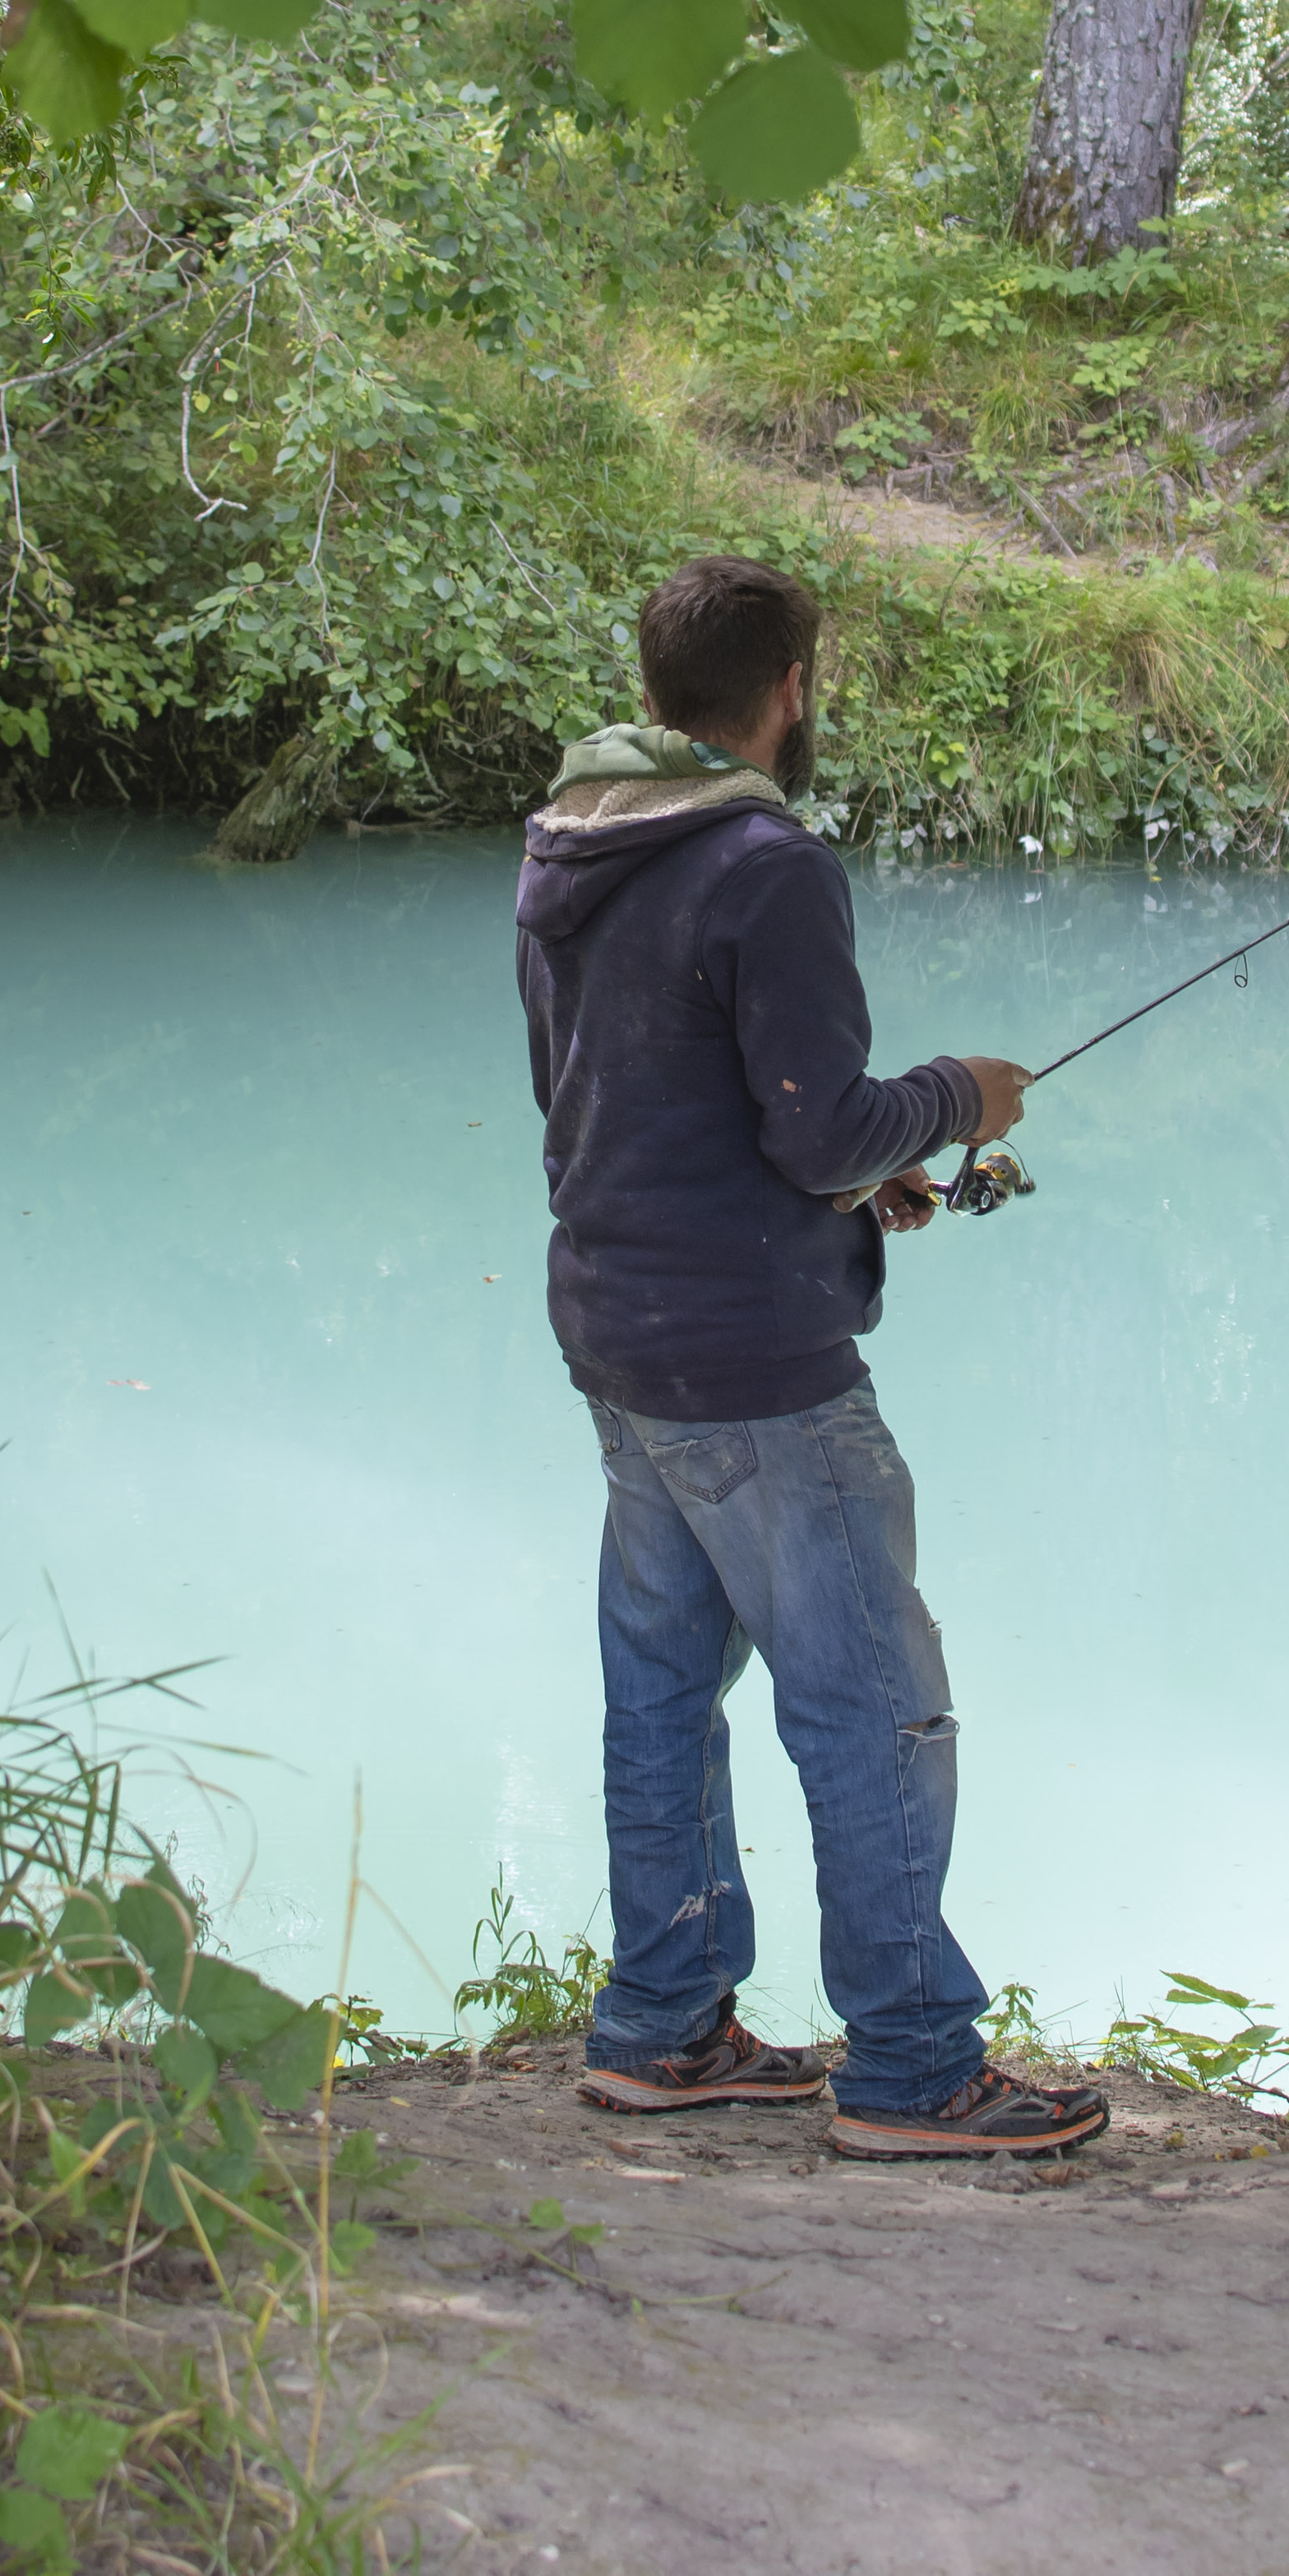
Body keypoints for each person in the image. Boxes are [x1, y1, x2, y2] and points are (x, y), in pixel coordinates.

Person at [514, 552, 1111, 2161]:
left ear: (655, 691)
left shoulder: (565, 834)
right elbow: (815, 1125)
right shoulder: (766, 860)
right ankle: (914, 2062)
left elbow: (631, 1097)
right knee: (867, 1703)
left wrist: (849, 1175)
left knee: (660, 1689)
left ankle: (659, 2024)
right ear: (793, 689)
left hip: (620, 1329)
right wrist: (952, 1099)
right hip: (754, 1368)